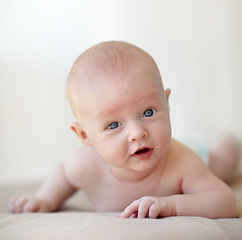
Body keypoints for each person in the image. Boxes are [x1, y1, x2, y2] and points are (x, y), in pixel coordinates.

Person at [8, 41, 239, 219]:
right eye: (113, 125)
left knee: (222, 162)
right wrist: (45, 199)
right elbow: (64, 174)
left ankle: (228, 143)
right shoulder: (84, 165)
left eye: (149, 112)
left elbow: (225, 201)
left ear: (166, 104)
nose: (137, 132)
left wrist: (173, 204)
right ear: (85, 136)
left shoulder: (183, 163)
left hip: (195, 151)